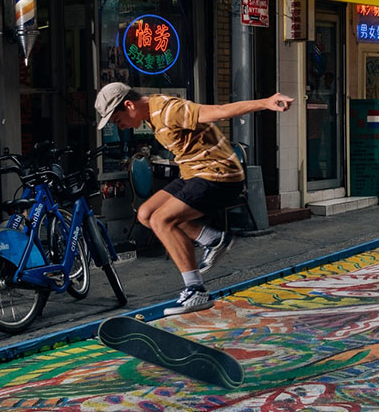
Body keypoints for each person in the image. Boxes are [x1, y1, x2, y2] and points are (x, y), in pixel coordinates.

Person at [95, 82, 292, 315]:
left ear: (128, 105)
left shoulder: (170, 110)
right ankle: (213, 238)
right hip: (194, 174)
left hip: (219, 174)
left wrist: (265, 102)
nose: (122, 127)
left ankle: (196, 290)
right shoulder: (149, 112)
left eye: (118, 121)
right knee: (146, 213)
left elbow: (219, 111)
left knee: (161, 220)